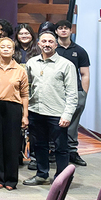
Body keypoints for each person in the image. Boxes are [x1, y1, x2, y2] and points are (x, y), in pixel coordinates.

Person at [23, 30, 77, 185]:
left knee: (60, 148)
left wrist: (67, 115)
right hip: (36, 111)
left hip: (57, 113)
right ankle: (42, 174)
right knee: (39, 145)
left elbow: (72, 94)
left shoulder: (66, 65)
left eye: (50, 42)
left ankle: (62, 179)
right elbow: (26, 88)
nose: (47, 44)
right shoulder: (32, 63)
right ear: (39, 44)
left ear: (56, 44)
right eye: (44, 41)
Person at [0, 36, 29, 190]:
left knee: (12, 144)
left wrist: (25, 116)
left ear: (13, 50)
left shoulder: (20, 70)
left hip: (13, 108)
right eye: (2, 47)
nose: (5, 49)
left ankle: (11, 179)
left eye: (8, 47)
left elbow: (25, 94)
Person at [55, 20, 91, 167]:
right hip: (56, 93)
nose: (64, 31)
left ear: (71, 31)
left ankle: (72, 152)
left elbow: (85, 74)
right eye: (60, 28)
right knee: (54, 123)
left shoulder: (80, 51)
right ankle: (53, 152)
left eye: (66, 28)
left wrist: (83, 94)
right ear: (56, 31)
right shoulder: (52, 49)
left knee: (72, 124)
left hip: (74, 93)